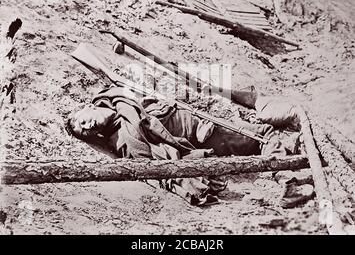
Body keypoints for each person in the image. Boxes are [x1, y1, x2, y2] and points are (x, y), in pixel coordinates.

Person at [65, 85, 310, 206]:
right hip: (203, 135)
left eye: (84, 121)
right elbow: (148, 161)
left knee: (263, 134)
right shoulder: (122, 137)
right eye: (85, 131)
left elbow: (131, 98)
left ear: (88, 107)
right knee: (265, 135)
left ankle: (291, 156)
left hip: (198, 119)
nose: (89, 127)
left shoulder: (114, 97)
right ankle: (287, 184)